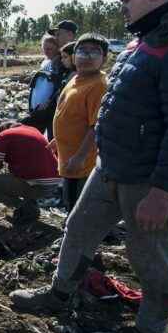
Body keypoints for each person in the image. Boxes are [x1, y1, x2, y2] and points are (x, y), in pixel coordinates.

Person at [10, 0, 168, 333]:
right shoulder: (146, 36)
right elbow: (119, 103)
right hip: (112, 166)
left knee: (148, 253)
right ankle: (59, 292)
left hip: (150, 175)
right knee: (79, 226)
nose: (122, 5)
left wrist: (162, 191)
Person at [49, 33, 109, 212]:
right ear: (74, 57)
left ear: (104, 59)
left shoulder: (98, 85)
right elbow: (69, 113)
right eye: (82, 51)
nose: (87, 57)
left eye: (94, 52)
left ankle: (77, 237)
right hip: (68, 155)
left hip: (82, 162)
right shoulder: (76, 78)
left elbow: (96, 126)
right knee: (70, 200)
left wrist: (80, 157)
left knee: (79, 206)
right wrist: (57, 140)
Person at [0, 122, 61, 224]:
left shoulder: (2, 136)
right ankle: (30, 202)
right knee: (18, 176)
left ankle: (28, 208)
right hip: (53, 182)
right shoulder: (33, 130)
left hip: (37, 184)